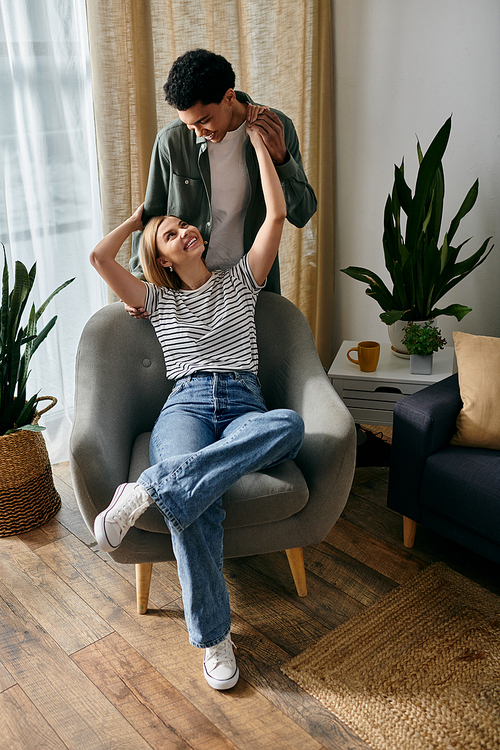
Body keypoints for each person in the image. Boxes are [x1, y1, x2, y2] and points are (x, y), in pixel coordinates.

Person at [90, 108, 305, 691]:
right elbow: (100, 259)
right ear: (159, 258)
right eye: (169, 234)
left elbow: (279, 213)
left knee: (287, 425)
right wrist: (142, 215)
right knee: (197, 506)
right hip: (184, 406)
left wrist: (262, 147)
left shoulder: (242, 279)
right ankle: (214, 641)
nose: (183, 230)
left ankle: (149, 489)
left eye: (184, 225)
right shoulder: (155, 303)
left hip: (244, 404)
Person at [127, 48, 316, 317]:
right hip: (186, 292)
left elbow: (302, 213)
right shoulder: (171, 140)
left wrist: (281, 158)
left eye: (204, 121)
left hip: (251, 287)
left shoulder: (276, 126)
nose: (199, 133)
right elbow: (151, 220)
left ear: (229, 96)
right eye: (190, 125)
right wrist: (138, 286)